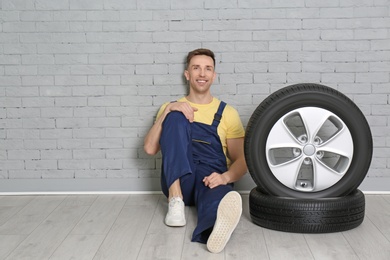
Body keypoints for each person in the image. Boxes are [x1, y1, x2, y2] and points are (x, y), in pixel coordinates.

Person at [144, 48, 247, 253]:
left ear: (214, 75)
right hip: (180, 178)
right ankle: (175, 201)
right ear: (187, 74)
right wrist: (167, 111)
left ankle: (213, 227)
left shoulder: (227, 112)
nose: (202, 73)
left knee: (216, 197)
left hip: (211, 176)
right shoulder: (170, 107)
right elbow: (149, 148)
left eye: (208, 69)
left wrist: (225, 178)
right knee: (175, 116)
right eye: (196, 68)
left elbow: (242, 159)